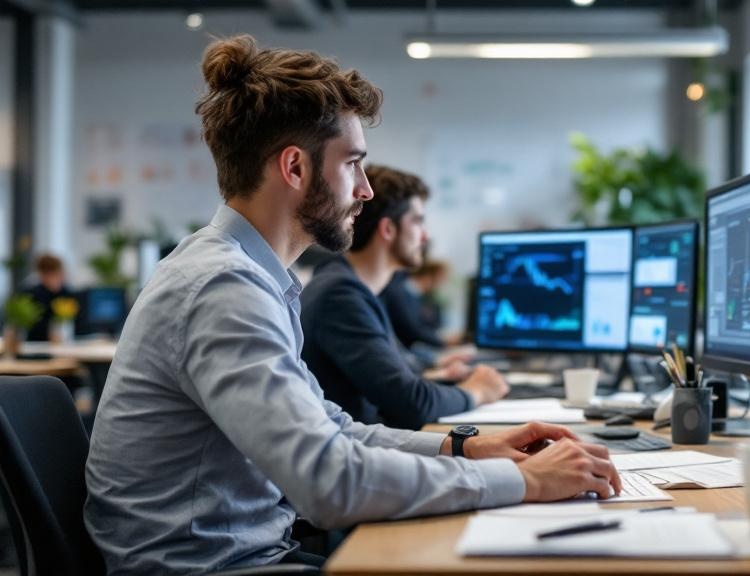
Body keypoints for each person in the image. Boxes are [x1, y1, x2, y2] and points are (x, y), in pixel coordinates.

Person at [84, 35, 620, 576]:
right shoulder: (223, 287)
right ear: (295, 168)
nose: (365, 191)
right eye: (353, 165)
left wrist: (467, 448)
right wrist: (524, 480)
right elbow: (330, 483)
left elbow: (335, 430)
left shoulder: (248, 276)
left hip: (245, 555)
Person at [300, 165, 506, 429]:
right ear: (388, 229)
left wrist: (441, 377)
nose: (425, 236)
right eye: (418, 221)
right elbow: (411, 403)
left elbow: (396, 379)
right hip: (359, 447)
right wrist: (476, 391)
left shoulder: (355, 289)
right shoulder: (340, 296)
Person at [23, 253, 73, 341]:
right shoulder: (32, 294)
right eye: (53, 275)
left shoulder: (67, 292)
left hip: (63, 342)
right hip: (36, 343)